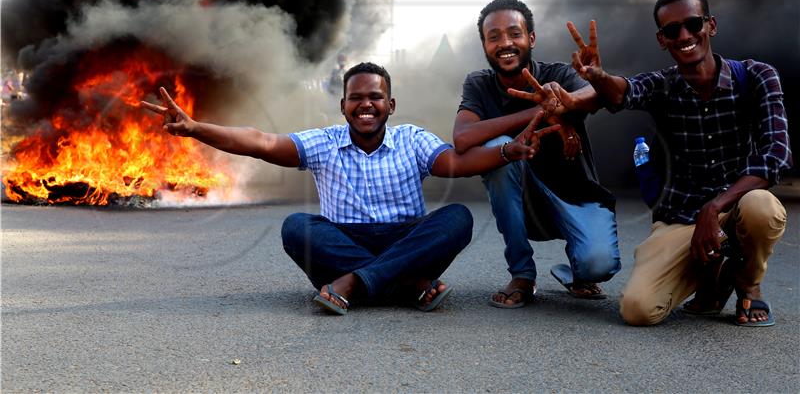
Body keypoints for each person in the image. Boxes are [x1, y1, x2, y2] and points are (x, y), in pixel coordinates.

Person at [142, 62, 560, 315]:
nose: (365, 104)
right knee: (296, 227)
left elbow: (456, 163)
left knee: (457, 218)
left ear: (390, 106)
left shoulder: (412, 138)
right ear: (343, 105)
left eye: (376, 97)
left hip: (406, 237)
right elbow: (262, 141)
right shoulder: (324, 142)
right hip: (345, 241)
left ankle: (352, 285)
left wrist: (508, 150)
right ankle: (407, 284)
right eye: (355, 98)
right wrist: (196, 128)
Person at [556, 0, 791, 326]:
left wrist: (715, 207)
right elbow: (624, 92)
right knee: (638, 309)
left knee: (762, 208)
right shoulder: (663, 85)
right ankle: (714, 279)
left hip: (736, 205)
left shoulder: (755, 77)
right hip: (680, 216)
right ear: (661, 39)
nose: (684, 35)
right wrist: (597, 77)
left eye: (692, 24)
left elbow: (777, 156)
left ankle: (748, 286)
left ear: (711, 25)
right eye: (671, 30)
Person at [453, 0, 621, 308]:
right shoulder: (479, 83)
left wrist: (575, 94)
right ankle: (522, 275)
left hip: (576, 197)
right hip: (523, 201)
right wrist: (539, 111)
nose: (505, 43)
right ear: (484, 45)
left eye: (514, 33)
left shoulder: (558, 75)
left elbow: (596, 96)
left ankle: (576, 270)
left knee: (599, 266)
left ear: (531, 38)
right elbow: (462, 138)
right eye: (494, 37)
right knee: (497, 150)